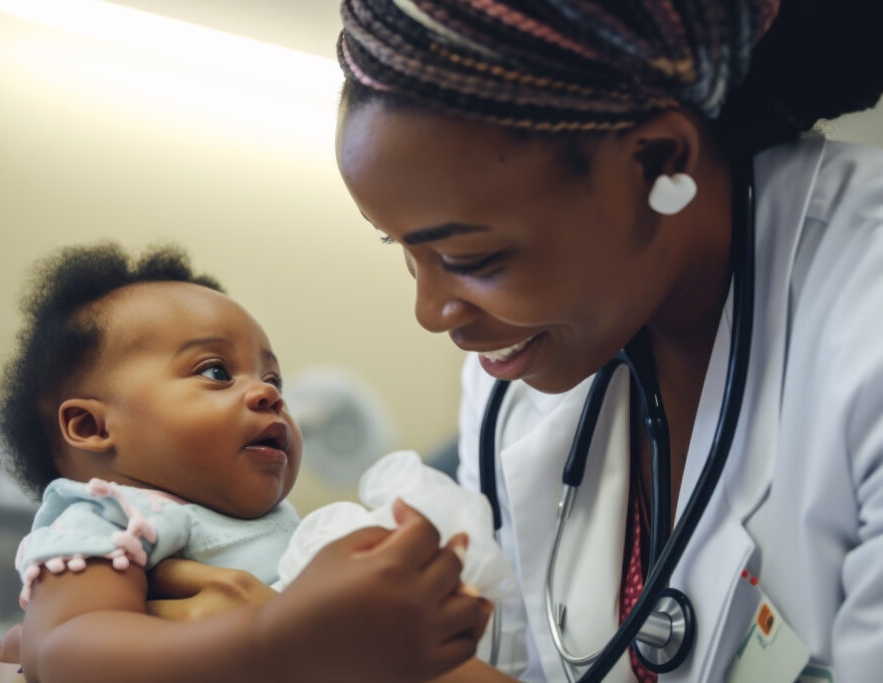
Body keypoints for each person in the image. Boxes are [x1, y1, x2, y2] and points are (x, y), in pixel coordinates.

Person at [333, 0, 883, 681]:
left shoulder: (866, 327)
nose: (431, 311)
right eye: (403, 248)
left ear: (657, 159)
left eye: (472, 259)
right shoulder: (516, 369)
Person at [0, 242, 492, 683]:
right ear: (92, 427)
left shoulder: (276, 528)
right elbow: (60, 650)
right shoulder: (111, 516)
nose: (266, 394)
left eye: (273, 381)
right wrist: (270, 639)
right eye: (216, 371)